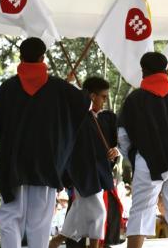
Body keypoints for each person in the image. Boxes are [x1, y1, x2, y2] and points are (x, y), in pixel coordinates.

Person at [0, 37, 91, 248]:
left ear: (20, 57)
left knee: (9, 217)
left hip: (13, 164)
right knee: (40, 222)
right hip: (46, 163)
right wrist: (69, 88)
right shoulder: (59, 88)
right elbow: (85, 105)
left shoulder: (7, 88)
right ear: (43, 58)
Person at [118, 52, 168, 248]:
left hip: (148, 162)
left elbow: (122, 136)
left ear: (144, 71)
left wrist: (133, 158)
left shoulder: (135, 98)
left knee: (141, 210)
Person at [50, 76, 120, 248]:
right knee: (99, 212)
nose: (105, 101)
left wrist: (115, 150)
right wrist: (70, 84)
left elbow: (119, 141)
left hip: (100, 171)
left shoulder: (108, 118)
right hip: (82, 172)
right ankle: (93, 245)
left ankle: (55, 241)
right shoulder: (77, 115)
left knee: (76, 214)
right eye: (102, 97)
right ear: (92, 96)